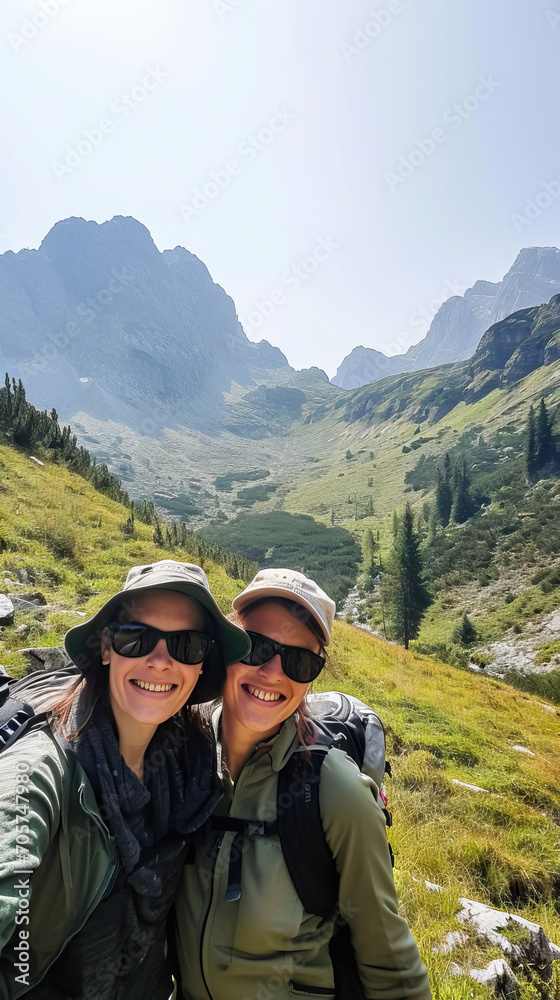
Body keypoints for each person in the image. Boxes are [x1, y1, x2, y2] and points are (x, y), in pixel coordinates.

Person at [175, 568, 431, 1000]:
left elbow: (391, 962)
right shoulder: (184, 750)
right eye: (257, 646)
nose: (273, 672)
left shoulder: (335, 790)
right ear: (228, 645)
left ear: (311, 677)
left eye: (298, 661)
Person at [0, 559, 250, 1000]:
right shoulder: (40, 771)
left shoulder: (192, 766)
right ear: (105, 648)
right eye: (136, 637)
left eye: (187, 645)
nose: (161, 662)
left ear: (200, 666)